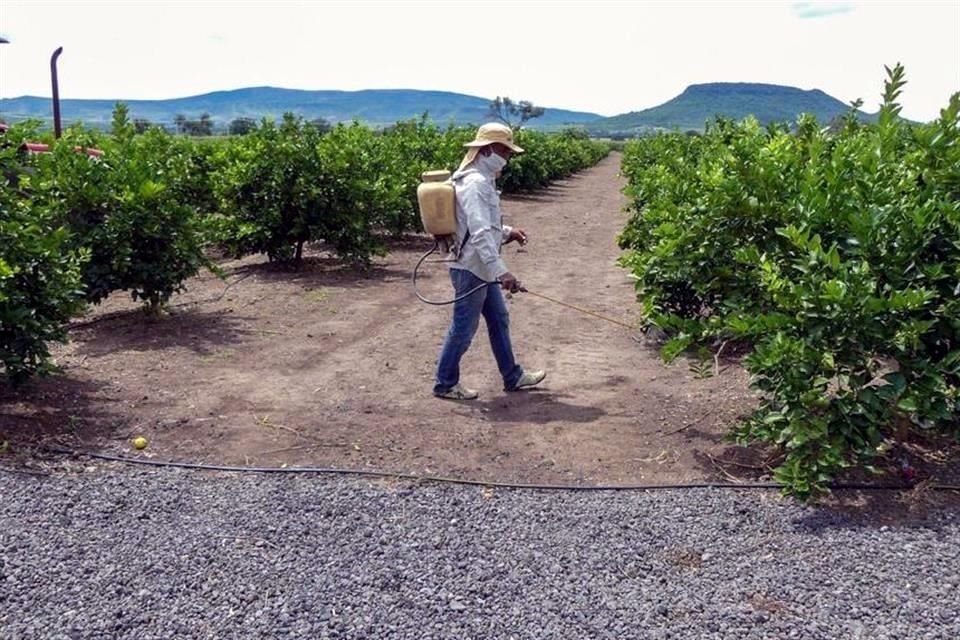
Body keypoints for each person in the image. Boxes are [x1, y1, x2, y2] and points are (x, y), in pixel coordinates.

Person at [433, 122, 546, 400]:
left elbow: (484, 226)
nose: (507, 157)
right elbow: (480, 232)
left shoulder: (482, 180)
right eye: (505, 151)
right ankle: (445, 384)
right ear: (487, 149)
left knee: (499, 318)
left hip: (481, 266)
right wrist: (503, 272)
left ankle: (513, 376)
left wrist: (509, 233)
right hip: (472, 267)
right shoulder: (474, 183)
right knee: (464, 327)